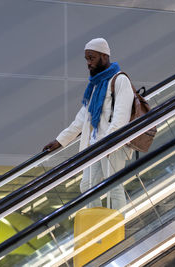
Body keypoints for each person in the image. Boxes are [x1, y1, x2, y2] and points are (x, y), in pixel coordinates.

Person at [43, 38, 134, 211]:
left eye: (91, 58)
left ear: (104, 56)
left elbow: (120, 118)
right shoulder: (95, 85)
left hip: (112, 145)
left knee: (114, 187)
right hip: (95, 146)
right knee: (87, 187)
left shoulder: (120, 80)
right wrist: (60, 141)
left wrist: (109, 144)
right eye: (86, 59)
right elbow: (82, 118)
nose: (88, 63)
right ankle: (97, 227)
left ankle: (119, 228)